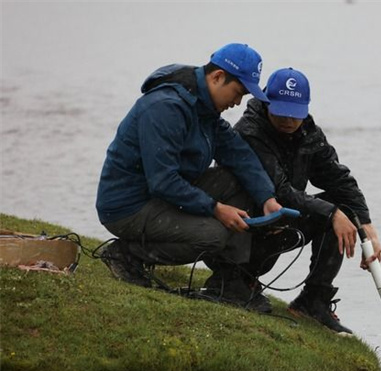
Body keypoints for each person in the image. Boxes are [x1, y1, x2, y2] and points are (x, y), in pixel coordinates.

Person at [95, 43, 282, 312]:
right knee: (213, 236)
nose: (238, 102)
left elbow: (238, 153)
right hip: (128, 207)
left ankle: (231, 281)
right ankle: (125, 254)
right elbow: (163, 181)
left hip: (164, 196)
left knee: (239, 180)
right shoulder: (166, 107)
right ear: (217, 77)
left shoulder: (205, 107)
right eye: (238, 92)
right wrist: (216, 209)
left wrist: (267, 197)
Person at [234, 67, 381, 334]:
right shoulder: (249, 131)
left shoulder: (308, 135)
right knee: (334, 212)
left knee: (344, 207)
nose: (289, 120)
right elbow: (279, 192)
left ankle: (313, 301)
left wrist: (366, 223)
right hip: (242, 227)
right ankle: (235, 280)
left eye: (296, 113)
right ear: (267, 101)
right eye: (281, 111)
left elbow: (340, 180)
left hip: (280, 223)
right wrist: (333, 214)